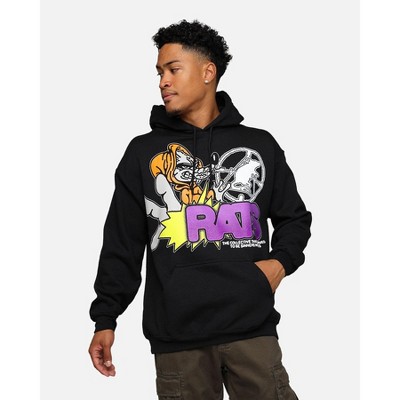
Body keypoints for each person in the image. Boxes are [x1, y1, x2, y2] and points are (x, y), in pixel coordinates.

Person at [88, 19, 312, 400]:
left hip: (251, 327)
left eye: (173, 69)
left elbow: (295, 219)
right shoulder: (142, 153)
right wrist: (105, 317)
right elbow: (122, 243)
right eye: (159, 72)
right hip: (178, 338)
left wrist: (279, 264)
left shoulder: (259, 146)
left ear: (208, 73)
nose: (163, 81)